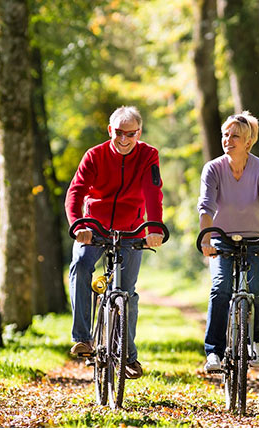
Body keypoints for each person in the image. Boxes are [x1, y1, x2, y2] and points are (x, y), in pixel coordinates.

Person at [65, 106, 164, 379]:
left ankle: (129, 357)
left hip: (131, 229)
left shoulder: (147, 155)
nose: (124, 139)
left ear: (139, 133)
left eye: (130, 134)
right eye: (119, 133)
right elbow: (76, 192)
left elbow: (153, 192)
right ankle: (83, 337)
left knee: (127, 293)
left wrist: (154, 227)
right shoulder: (94, 156)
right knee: (81, 265)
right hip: (93, 227)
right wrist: (78, 224)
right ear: (111, 130)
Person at [197, 111, 259, 372]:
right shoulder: (213, 168)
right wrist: (206, 238)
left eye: (235, 135)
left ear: (248, 142)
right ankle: (213, 352)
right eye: (225, 134)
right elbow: (206, 206)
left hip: (255, 238)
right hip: (222, 240)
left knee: (256, 290)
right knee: (221, 287)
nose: (228, 139)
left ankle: (254, 341)